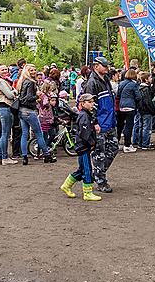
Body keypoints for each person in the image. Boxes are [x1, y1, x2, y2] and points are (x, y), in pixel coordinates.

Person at [59, 93, 102, 201]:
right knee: (87, 170)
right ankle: (87, 193)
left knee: (82, 169)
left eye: (92, 102)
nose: (92, 104)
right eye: (89, 102)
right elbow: (84, 133)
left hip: (83, 146)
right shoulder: (83, 115)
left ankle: (66, 185)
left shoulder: (87, 114)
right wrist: (92, 143)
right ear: (83, 104)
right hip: (83, 147)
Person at [85, 56, 118, 192]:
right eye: (104, 66)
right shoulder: (92, 83)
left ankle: (98, 173)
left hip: (109, 121)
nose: (107, 68)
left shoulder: (106, 80)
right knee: (99, 153)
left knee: (113, 148)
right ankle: (101, 181)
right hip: (100, 123)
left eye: (107, 66)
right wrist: (94, 122)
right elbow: (89, 105)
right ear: (96, 66)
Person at [16, 64, 54, 163]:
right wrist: (37, 97)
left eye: (34, 70)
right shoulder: (31, 82)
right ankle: (46, 155)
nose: (34, 72)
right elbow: (28, 98)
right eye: (31, 70)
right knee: (39, 133)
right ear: (27, 71)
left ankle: (24, 157)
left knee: (24, 134)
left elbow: (21, 98)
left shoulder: (22, 82)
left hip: (21, 110)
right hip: (29, 111)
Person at [0, 65, 19, 166]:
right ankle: (5, 157)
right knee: (5, 134)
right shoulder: (0, 81)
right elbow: (10, 95)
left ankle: (0, 157)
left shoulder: (5, 81)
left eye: (6, 69)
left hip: (4, 108)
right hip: (5, 108)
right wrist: (14, 92)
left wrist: (12, 92)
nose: (5, 71)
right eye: (2, 70)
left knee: (4, 134)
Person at [116, 69, 140, 153]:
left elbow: (118, 94)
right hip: (130, 107)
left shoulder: (121, 83)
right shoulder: (134, 84)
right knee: (129, 126)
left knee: (120, 125)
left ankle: (116, 143)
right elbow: (138, 96)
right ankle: (127, 145)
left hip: (121, 107)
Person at [136, 71, 155, 150]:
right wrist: (153, 110)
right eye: (150, 77)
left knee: (141, 126)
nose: (151, 79)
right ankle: (145, 144)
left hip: (141, 110)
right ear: (146, 79)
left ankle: (141, 143)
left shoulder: (139, 88)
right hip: (147, 111)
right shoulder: (146, 89)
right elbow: (148, 102)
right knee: (147, 128)